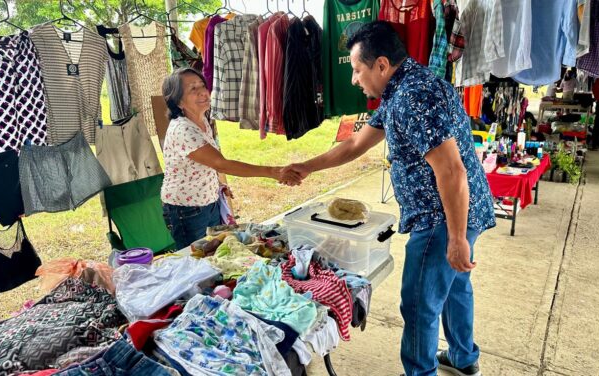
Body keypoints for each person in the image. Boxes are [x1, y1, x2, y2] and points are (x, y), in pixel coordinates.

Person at [283, 21, 495, 376]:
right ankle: (463, 356)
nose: (354, 79)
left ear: (381, 64)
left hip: (441, 218)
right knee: (455, 287)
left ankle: (419, 372)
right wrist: (306, 166)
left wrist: (456, 238)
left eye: (357, 69)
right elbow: (354, 144)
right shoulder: (403, 89)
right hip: (457, 210)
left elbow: (452, 172)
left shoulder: (414, 96)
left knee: (418, 305)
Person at [160, 68, 300, 249]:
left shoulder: (201, 119)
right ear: (178, 101)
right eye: (193, 89)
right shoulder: (183, 129)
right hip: (187, 210)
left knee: (216, 251)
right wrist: (274, 172)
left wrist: (218, 186)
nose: (203, 91)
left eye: (202, 85)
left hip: (208, 202)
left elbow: (205, 163)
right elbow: (222, 164)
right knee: (197, 262)